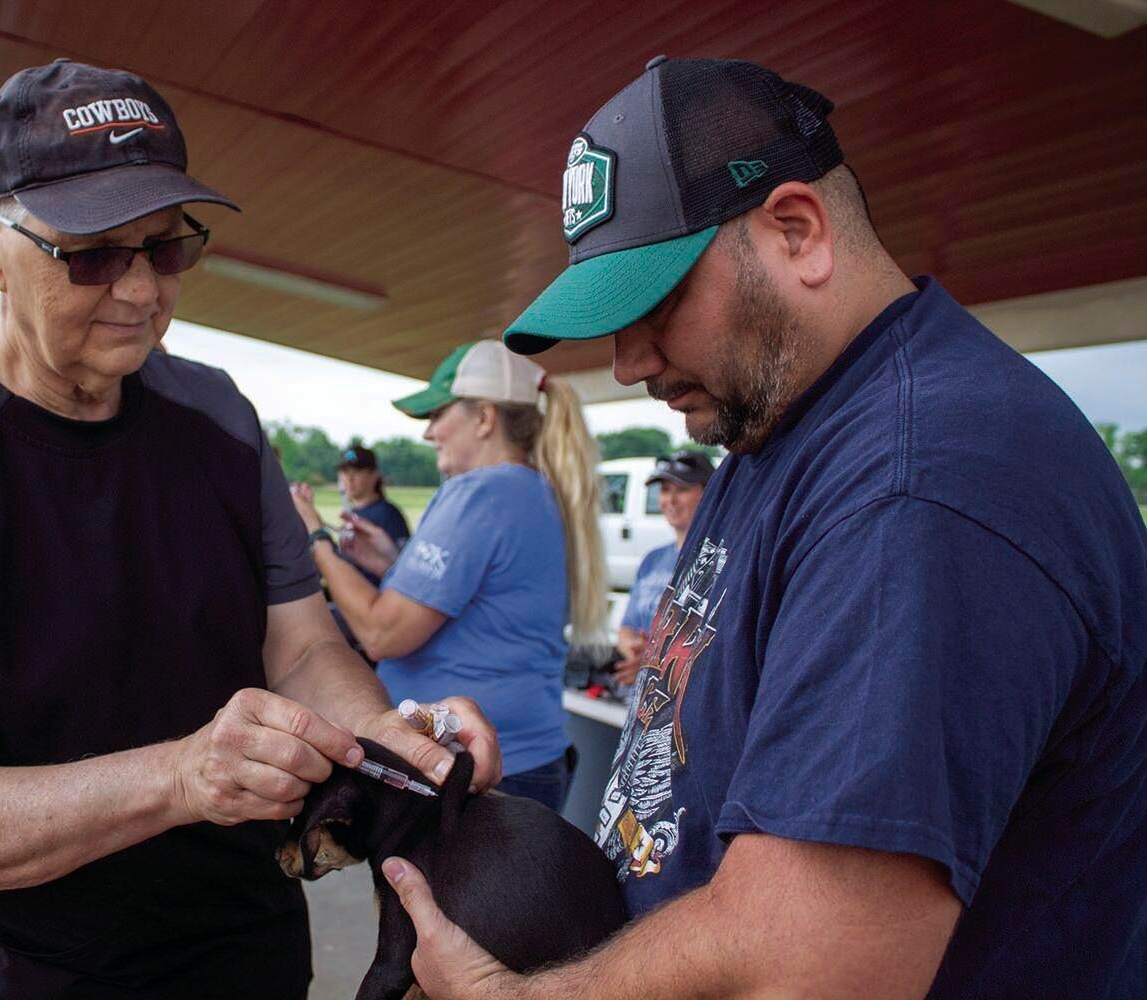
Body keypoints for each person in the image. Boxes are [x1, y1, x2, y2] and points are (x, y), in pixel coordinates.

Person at [376, 55, 1147, 999]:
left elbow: (807, 964)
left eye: (654, 301)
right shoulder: (780, 426)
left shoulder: (919, 486)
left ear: (797, 232)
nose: (626, 362)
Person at [0, 59, 499, 999]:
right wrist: (183, 776)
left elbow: (303, 641)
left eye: (167, 247)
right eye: (93, 253)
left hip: (233, 954)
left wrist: (388, 741)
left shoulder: (220, 418)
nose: (141, 290)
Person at [291, 339, 606, 813]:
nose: (428, 433)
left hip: (476, 769)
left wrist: (316, 537)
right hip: (526, 758)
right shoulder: (533, 489)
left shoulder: (481, 492)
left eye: (438, 415)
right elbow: (486, 600)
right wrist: (389, 562)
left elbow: (381, 633)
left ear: (484, 419)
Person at [613, 450, 714, 689]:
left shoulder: (719, 559)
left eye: (682, 490)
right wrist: (632, 649)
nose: (671, 500)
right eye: (665, 490)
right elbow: (627, 627)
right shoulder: (652, 559)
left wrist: (651, 662)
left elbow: (712, 643)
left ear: (709, 492)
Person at [335, 445, 410, 585]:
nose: (349, 478)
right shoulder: (352, 514)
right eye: (345, 472)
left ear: (374, 475)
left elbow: (403, 565)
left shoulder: (388, 513)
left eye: (357, 471)